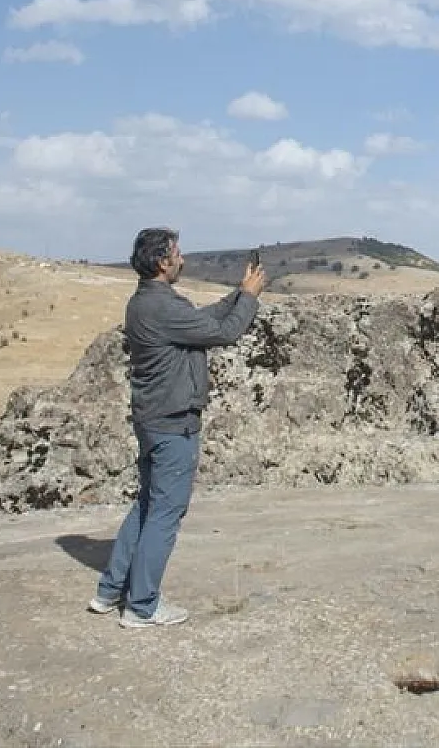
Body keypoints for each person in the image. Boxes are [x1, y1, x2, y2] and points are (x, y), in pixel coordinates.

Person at [89, 227, 267, 628]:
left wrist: (239, 294)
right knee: (166, 512)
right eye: (177, 254)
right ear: (161, 262)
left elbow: (201, 321)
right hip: (173, 423)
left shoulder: (146, 302)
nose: (183, 260)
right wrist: (251, 299)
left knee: (148, 504)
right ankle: (142, 606)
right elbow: (225, 333)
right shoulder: (163, 307)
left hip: (152, 419)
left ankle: (110, 590)